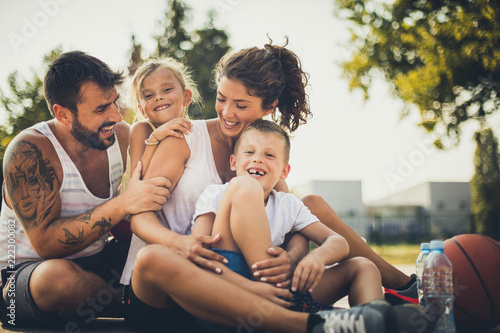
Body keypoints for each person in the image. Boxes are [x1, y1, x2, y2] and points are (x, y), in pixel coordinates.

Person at [121, 39, 432, 333]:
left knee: (315, 207)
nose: (228, 113)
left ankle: (392, 299)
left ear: (268, 106)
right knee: (153, 258)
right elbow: (140, 217)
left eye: (241, 105)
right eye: (221, 99)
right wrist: (180, 243)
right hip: (178, 288)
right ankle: (314, 325)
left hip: (253, 286)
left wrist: (294, 256)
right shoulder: (184, 139)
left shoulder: (264, 158)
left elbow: (291, 221)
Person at [0, 51, 171, 328]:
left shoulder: (122, 136)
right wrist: (124, 203)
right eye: (102, 108)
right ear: (63, 114)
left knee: (165, 249)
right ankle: (137, 305)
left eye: (115, 102)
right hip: (28, 274)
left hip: (100, 259)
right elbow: (45, 245)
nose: (116, 115)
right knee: (57, 280)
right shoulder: (29, 151)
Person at [190, 119, 384, 330]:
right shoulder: (216, 193)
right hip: (233, 290)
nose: (258, 159)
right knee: (244, 186)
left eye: (269, 155)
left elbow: (338, 242)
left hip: (288, 295)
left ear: (284, 171)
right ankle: (289, 315)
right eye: (249, 152)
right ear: (233, 162)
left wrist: (317, 257)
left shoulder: (287, 204)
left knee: (363, 266)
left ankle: (374, 323)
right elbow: (199, 256)